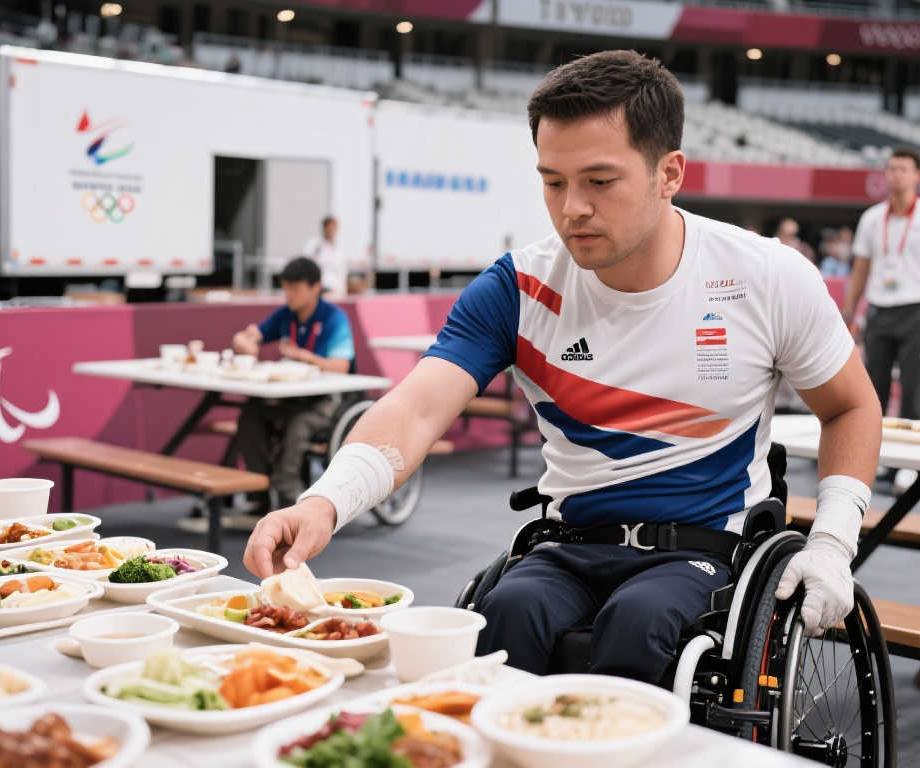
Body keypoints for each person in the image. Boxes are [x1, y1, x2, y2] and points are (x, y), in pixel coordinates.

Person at [243, 51, 882, 685]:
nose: (572, 207)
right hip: (570, 542)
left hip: (705, 548)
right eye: (553, 182)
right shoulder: (518, 287)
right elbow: (415, 410)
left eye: (599, 182)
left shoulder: (766, 276)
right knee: (504, 614)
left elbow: (852, 406)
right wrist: (325, 502)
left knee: (640, 623)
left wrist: (833, 542)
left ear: (669, 174)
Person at [842, 147, 920, 424]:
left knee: (912, 390)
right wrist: (848, 315)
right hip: (878, 310)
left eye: (903, 169)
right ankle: (872, 449)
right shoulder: (872, 218)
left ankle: (910, 451)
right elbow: (860, 271)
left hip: (915, 312)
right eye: (892, 169)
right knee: (872, 391)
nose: (896, 175)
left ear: (918, 175)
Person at [232, 257, 355, 511]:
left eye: (295, 288)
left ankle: (289, 497)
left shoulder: (334, 319)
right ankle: (259, 491)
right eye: (286, 288)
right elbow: (251, 335)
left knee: (298, 426)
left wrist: (301, 355)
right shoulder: (285, 315)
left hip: (327, 402)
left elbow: (341, 366)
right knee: (251, 414)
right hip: (291, 399)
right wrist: (242, 341)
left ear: (315, 287)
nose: (289, 294)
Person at [302, 216, 347, 298]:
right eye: (329, 227)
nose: (332, 230)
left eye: (334, 227)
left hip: (336, 289)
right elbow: (306, 265)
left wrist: (343, 289)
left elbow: (342, 269)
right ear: (324, 228)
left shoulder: (339, 247)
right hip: (320, 288)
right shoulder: (315, 244)